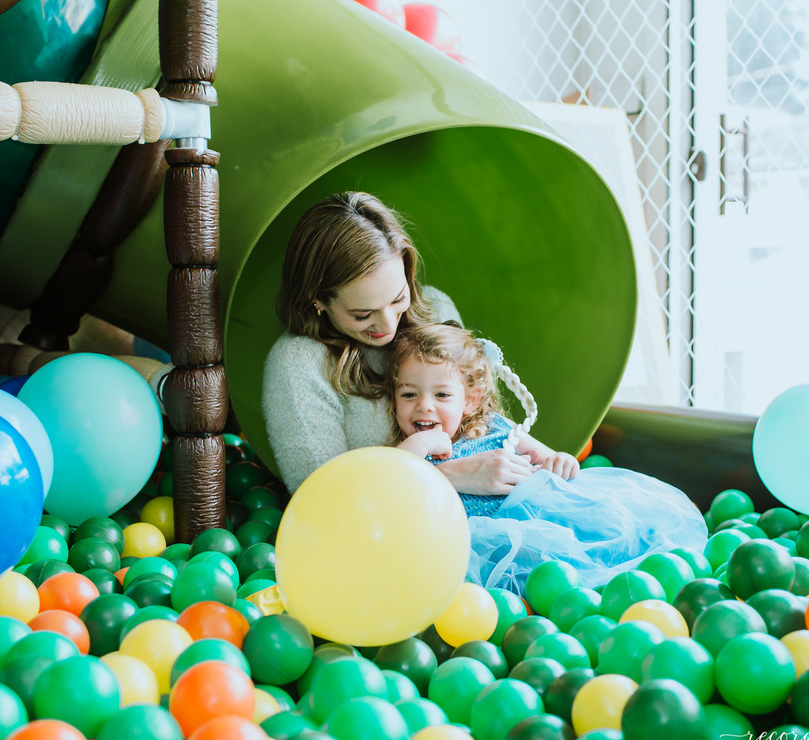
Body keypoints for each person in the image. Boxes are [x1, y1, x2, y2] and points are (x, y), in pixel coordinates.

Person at [388, 322, 708, 592]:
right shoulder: (413, 451)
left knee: (601, 541)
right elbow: (392, 475)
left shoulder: (494, 428)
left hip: (539, 523)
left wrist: (561, 461)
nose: (424, 405)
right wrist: (421, 442)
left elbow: (551, 459)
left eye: (442, 394)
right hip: (478, 548)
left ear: (470, 399)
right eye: (409, 394)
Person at [262, 191, 537, 494]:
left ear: (407, 270)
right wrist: (445, 476)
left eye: (398, 299)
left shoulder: (437, 311)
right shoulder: (298, 364)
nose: (388, 326)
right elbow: (321, 496)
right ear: (317, 300)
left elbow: (484, 422)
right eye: (363, 315)